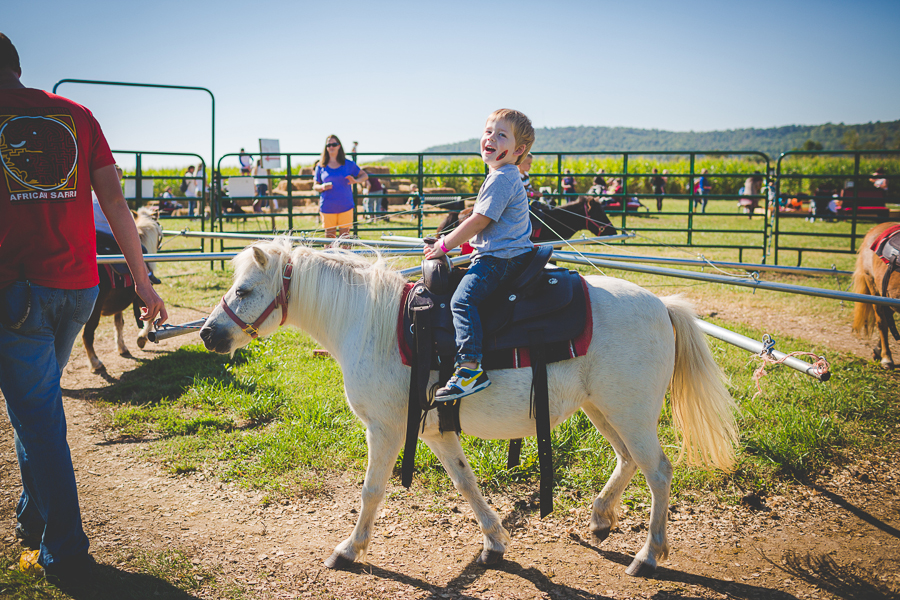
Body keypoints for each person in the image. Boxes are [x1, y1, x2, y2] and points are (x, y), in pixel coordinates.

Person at [0, 33, 167, 586]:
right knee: (38, 406)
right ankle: (32, 511)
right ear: (19, 68)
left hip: (19, 291)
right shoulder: (77, 116)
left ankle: (66, 550)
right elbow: (116, 203)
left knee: (40, 417)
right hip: (81, 288)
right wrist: (142, 282)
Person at [424, 108, 536, 402]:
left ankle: (470, 368)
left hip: (500, 259)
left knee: (462, 300)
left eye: (502, 135)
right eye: (489, 132)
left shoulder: (502, 178)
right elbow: (480, 226)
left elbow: (479, 220)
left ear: (518, 150)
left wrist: (444, 246)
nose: (491, 138)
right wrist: (447, 243)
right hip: (503, 253)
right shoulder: (502, 175)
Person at [312, 135, 368, 238]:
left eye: (334, 144)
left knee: (345, 240)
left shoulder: (348, 164)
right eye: (328, 145)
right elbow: (315, 186)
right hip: (328, 207)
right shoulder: (321, 166)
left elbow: (364, 175)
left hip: (345, 206)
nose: (331, 147)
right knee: (329, 241)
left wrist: (356, 181)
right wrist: (323, 186)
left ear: (339, 146)